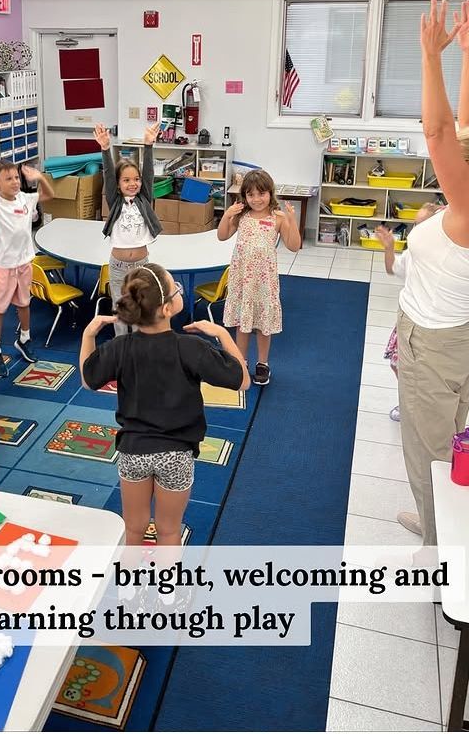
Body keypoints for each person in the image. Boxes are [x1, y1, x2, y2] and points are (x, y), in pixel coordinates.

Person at [396, 0, 469, 546]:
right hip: (461, 335)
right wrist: (468, 55)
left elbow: (440, 136)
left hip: (433, 345)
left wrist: (430, 57)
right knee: (449, 433)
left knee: (427, 448)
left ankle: (441, 551)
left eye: (465, 159)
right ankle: (445, 522)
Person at [80, 263, 249, 548]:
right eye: (176, 290)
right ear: (168, 309)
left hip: (133, 452)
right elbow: (242, 381)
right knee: (168, 532)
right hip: (177, 454)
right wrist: (222, 334)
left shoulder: (120, 347)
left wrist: (88, 336)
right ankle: (168, 593)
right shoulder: (191, 347)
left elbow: (88, 379)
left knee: (133, 529)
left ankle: (129, 590)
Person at [218, 169, 302, 385]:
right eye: (251, 195)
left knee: (264, 323)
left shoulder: (278, 218)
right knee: (242, 322)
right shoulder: (241, 215)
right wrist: (227, 215)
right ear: (245, 196)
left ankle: (262, 364)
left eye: (261, 194)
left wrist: (292, 221)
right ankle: (240, 361)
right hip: (242, 279)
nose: (256, 199)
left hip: (265, 281)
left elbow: (294, 246)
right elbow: (222, 235)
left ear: (270, 193)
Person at [0, 161, 54, 376]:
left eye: (16, 177)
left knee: (24, 304)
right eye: (8, 178)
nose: (15, 181)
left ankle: (24, 339)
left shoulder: (25, 198)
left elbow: (49, 195)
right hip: (5, 267)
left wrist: (39, 178)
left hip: (25, 263)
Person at [375, 203, 443, 425]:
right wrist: (389, 248)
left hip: (431, 324)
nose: (416, 231)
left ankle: (421, 409)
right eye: (415, 225)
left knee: (423, 372)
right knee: (397, 364)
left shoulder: (442, 256)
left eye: (423, 225)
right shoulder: (412, 252)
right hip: (408, 319)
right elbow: (392, 269)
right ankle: (409, 403)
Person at [95, 122, 162, 336]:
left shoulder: (144, 199)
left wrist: (148, 146)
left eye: (136, 179)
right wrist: (106, 149)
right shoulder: (115, 201)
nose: (132, 184)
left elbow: (149, 174)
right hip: (118, 267)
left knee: (141, 308)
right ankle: (122, 348)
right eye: (126, 180)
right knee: (121, 310)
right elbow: (107, 174)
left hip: (141, 265)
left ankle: (140, 349)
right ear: (118, 184)